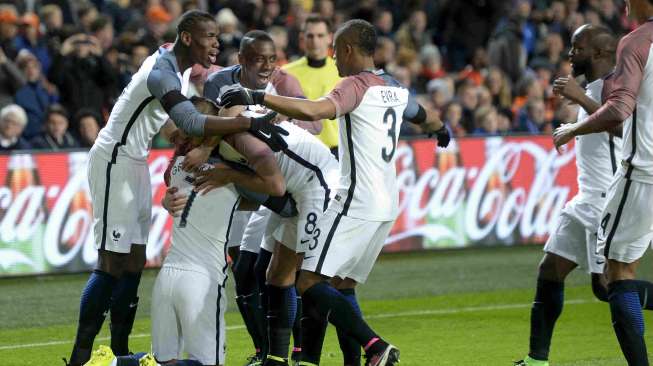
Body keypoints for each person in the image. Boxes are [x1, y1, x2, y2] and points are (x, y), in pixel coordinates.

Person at [219, 19, 450, 366]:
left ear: (347, 49)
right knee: (340, 284)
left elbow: (314, 110)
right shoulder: (395, 87)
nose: (333, 59)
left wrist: (256, 96)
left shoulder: (354, 85)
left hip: (354, 200)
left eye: (336, 51)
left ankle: (375, 346)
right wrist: (441, 129)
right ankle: (344, 361)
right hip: (388, 203)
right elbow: (423, 115)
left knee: (308, 281)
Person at [65, 11, 286, 366]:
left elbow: (172, 124)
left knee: (134, 261)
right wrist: (247, 121)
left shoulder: (177, 67)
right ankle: (81, 356)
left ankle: (117, 354)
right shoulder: (162, 71)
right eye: (210, 36)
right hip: (114, 158)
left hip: (134, 158)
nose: (217, 43)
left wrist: (189, 143)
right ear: (187, 38)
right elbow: (188, 120)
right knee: (112, 261)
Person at [515, 24, 628, 366]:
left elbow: (625, 125)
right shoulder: (596, 87)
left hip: (605, 201)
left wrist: (581, 98)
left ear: (599, 53)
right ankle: (537, 360)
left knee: (606, 288)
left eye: (577, 48)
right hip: (586, 201)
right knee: (550, 270)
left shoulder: (615, 84)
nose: (570, 54)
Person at [202, 29, 317, 366]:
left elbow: (315, 126)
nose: (267, 66)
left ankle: (294, 350)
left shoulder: (285, 85)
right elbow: (212, 122)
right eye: (258, 59)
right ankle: (262, 350)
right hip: (245, 187)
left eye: (272, 59)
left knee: (279, 272)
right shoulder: (219, 82)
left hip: (282, 186)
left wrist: (281, 119)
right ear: (242, 60)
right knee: (244, 271)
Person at [194, 105, 339, 366]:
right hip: (295, 191)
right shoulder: (226, 136)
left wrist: (227, 175)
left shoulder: (237, 137)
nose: (183, 143)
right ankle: (275, 358)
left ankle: (366, 344)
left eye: (185, 135)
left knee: (309, 280)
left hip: (318, 183)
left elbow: (274, 185)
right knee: (275, 274)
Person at [553, 1, 653, 364]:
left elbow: (620, 110)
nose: (625, 3)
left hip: (643, 171)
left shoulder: (637, 41)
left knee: (616, 277)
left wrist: (574, 127)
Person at [283, 14, 341, 155]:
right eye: (310, 36)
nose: (315, 41)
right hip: (300, 149)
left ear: (330, 38)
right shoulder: (285, 73)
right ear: (302, 38)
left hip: (336, 149)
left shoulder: (343, 71)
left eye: (320, 36)